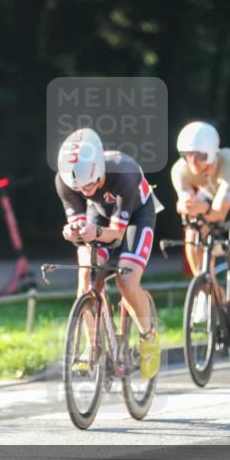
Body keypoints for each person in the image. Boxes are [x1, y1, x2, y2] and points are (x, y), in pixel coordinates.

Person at [55, 127, 161, 380]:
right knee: (86, 275)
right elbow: (82, 226)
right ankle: (92, 346)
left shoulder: (124, 172)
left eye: (90, 184)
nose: (85, 190)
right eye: (79, 188)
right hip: (100, 214)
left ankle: (148, 336)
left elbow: (116, 234)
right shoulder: (65, 180)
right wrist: (73, 232)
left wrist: (95, 233)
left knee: (127, 280)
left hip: (137, 216)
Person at [170, 121, 230, 371]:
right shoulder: (180, 171)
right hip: (210, 204)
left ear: (211, 152)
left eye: (199, 157)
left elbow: (219, 213)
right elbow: (186, 207)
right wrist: (185, 206)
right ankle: (206, 290)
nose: (193, 164)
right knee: (192, 234)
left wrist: (198, 208)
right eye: (187, 156)